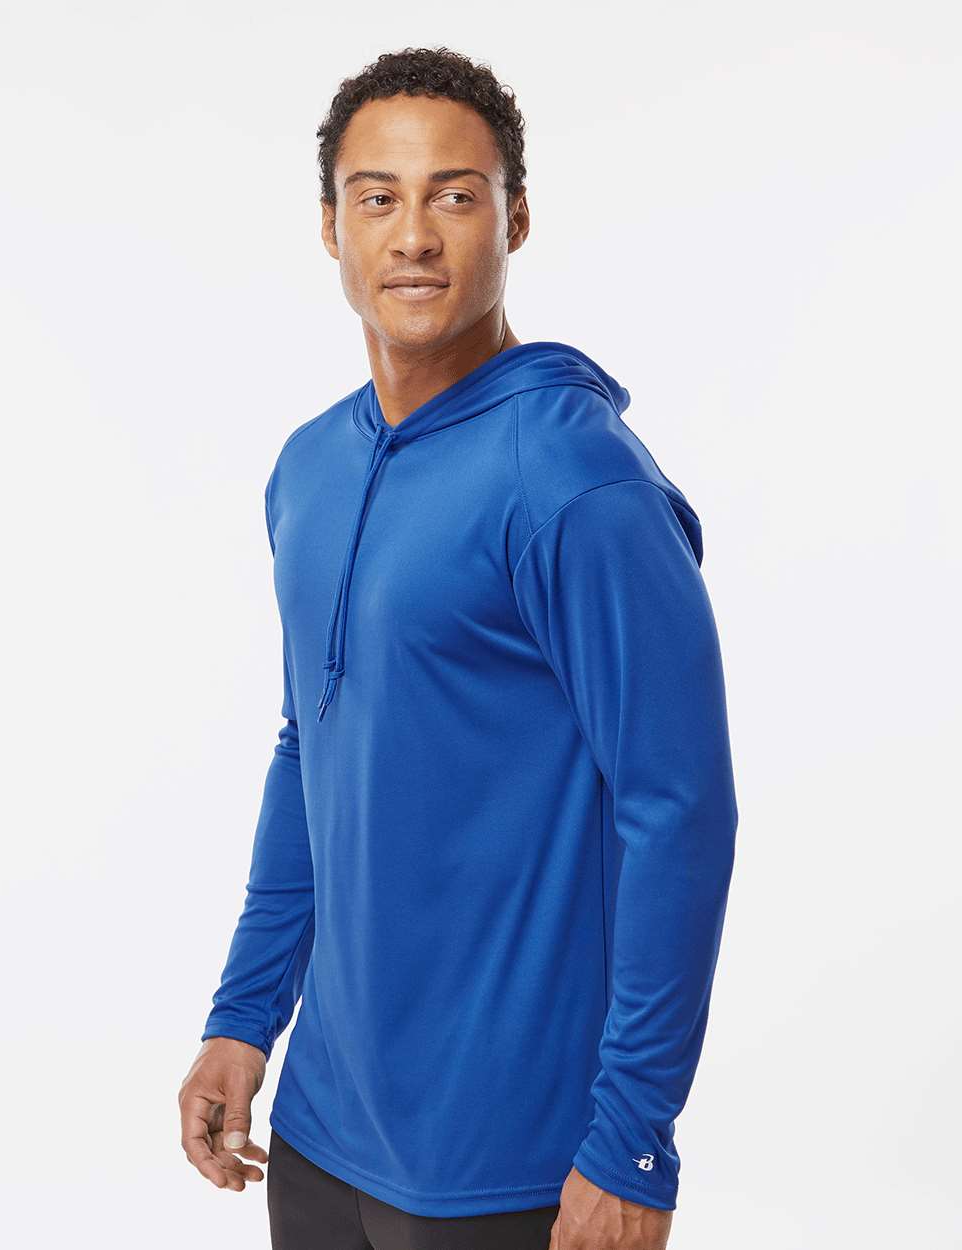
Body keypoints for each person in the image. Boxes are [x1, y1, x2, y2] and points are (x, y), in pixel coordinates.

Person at [178, 45, 738, 1250]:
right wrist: (243, 1015)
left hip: (510, 1159)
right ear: (330, 226)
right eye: (378, 196)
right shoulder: (309, 467)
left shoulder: (577, 482)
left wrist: (633, 1135)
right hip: (321, 1131)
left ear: (514, 217)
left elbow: (677, 807)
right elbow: (310, 744)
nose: (415, 236)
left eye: (455, 194)